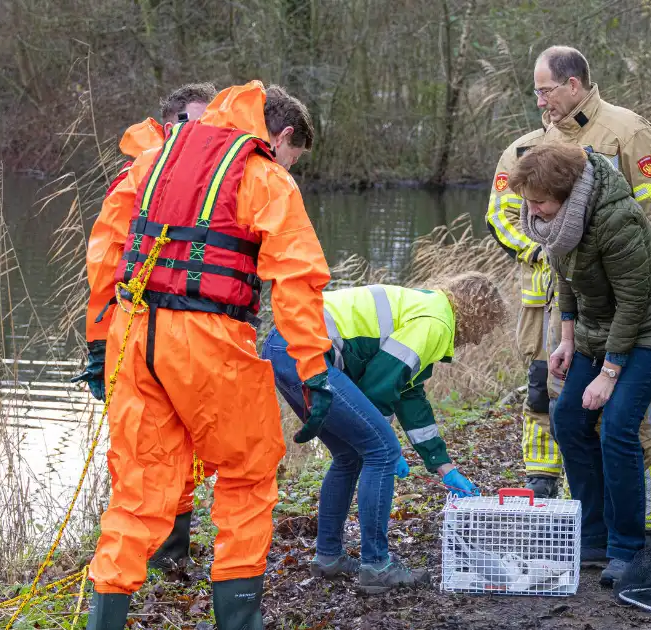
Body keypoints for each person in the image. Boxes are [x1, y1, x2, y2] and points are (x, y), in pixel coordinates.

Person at [80, 81, 332, 630]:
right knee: (247, 474)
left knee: (137, 487)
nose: (288, 164)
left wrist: (99, 343)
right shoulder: (261, 174)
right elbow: (296, 277)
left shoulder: (151, 158)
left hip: (133, 334)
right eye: (291, 154)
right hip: (209, 341)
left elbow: (106, 251)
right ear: (280, 134)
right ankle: (239, 621)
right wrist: (313, 369)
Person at [485, 44, 651, 549]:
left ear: (573, 85)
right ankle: (575, 516)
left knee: (625, 415)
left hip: (622, 301)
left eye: (545, 90)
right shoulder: (525, 147)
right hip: (552, 302)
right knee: (552, 400)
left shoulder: (625, 132)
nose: (540, 101)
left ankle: (642, 526)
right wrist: (543, 251)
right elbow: (500, 217)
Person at [510, 142, 651, 587]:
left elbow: (633, 300)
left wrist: (610, 374)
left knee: (616, 424)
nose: (531, 210)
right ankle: (593, 535)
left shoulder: (616, 217)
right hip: (600, 327)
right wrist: (568, 341)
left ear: (564, 191)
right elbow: (565, 274)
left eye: (537, 201)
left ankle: (629, 547)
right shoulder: (556, 221)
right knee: (570, 418)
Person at [259, 273, 505, 593]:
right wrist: (388, 444)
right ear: (477, 316)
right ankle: (377, 566)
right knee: (381, 451)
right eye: (483, 330)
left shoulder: (427, 307)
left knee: (349, 454)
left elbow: (408, 394)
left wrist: (444, 466)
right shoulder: (436, 322)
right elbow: (381, 382)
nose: (476, 339)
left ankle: (329, 557)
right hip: (305, 351)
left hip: (284, 345)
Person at [72, 81, 224, 573]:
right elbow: (104, 263)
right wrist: (98, 348)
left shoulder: (214, 181)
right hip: (131, 334)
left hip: (189, 335)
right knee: (140, 447)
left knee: (189, 446)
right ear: (167, 124)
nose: (198, 134)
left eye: (208, 124)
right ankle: (135, 555)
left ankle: (172, 550)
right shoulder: (137, 176)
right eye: (189, 123)